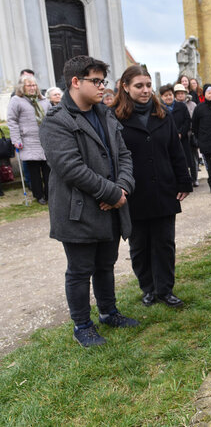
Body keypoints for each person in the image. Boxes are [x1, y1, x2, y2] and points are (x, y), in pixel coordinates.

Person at [39, 55, 138, 347]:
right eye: (95, 81)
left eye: (102, 81)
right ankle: (82, 325)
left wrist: (122, 189)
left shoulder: (105, 114)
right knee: (80, 270)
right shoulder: (57, 122)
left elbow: (124, 155)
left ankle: (109, 312)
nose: (101, 87)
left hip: (111, 204)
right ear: (75, 82)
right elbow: (70, 168)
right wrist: (111, 193)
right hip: (78, 210)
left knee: (106, 264)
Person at [113, 65, 193, 308]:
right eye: (139, 86)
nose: (145, 90)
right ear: (125, 87)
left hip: (163, 189)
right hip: (134, 192)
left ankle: (165, 289)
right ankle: (147, 288)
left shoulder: (163, 114)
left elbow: (175, 151)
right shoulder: (115, 118)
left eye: (148, 85)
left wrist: (183, 180)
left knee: (164, 243)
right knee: (140, 245)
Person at [7, 74, 51, 204]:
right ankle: (39, 195)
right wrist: (16, 139)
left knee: (48, 169)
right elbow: (12, 121)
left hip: (45, 140)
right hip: (28, 140)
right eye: (29, 85)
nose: (32, 88)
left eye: (34, 85)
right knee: (34, 170)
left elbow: (52, 117)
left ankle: (50, 193)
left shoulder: (44, 100)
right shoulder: (16, 100)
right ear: (22, 87)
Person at [159, 84, 195, 188]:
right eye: (165, 95)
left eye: (170, 95)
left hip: (182, 139)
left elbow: (187, 120)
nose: (168, 97)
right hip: (167, 140)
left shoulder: (181, 106)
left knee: (185, 160)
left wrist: (180, 133)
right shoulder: (160, 109)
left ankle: (187, 180)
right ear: (162, 97)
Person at [173, 83, 199, 186]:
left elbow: (189, 120)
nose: (180, 95)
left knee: (192, 159)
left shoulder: (192, 104)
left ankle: (194, 178)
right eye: (178, 93)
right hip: (177, 137)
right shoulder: (172, 106)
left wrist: (183, 132)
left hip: (189, 135)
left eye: (182, 93)